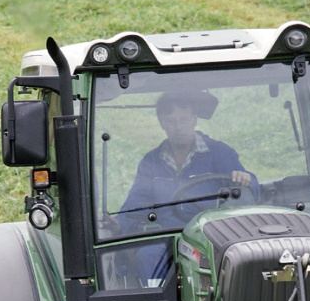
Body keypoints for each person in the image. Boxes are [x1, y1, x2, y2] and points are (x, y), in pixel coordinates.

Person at [102, 90, 258, 237]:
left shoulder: (219, 153)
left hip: (210, 235)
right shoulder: (151, 161)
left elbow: (250, 187)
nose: (178, 127)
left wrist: (246, 179)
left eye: (183, 120)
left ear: (194, 120)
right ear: (161, 123)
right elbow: (137, 201)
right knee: (146, 257)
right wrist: (120, 223)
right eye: (171, 121)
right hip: (166, 237)